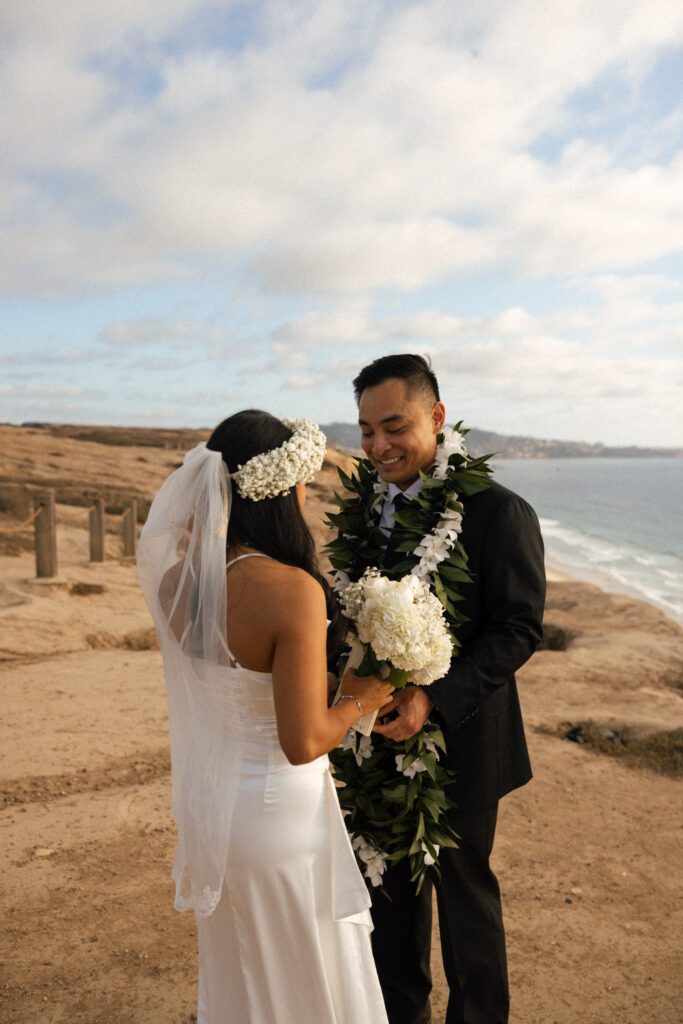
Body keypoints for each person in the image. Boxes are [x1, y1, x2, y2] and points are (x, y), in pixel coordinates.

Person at [137, 409, 394, 1024]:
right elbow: (303, 739)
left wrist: (322, 682)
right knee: (305, 977)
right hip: (280, 821)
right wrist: (364, 696)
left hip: (217, 816)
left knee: (248, 977)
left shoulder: (179, 582)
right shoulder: (291, 590)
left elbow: (236, 681)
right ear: (280, 491)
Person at [349, 355, 546, 1024]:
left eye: (394, 427)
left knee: (465, 906)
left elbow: (518, 628)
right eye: (366, 430)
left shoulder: (498, 513)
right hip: (376, 742)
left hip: (464, 745)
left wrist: (432, 696)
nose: (378, 447)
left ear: (435, 418)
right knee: (391, 902)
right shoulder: (365, 513)